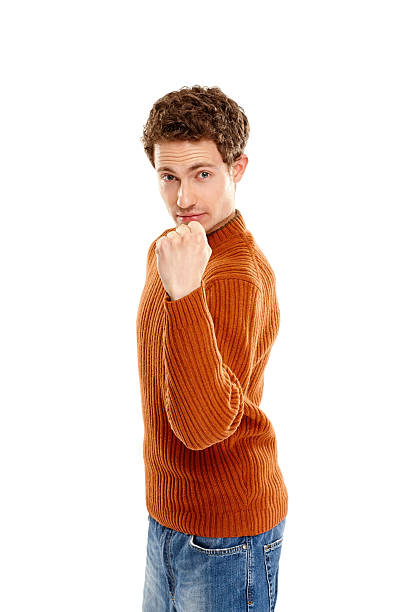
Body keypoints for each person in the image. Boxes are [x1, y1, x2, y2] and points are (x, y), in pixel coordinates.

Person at [136, 85, 289, 611]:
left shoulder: (233, 275)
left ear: (237, 167)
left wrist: (185, 295)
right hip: (168, 516)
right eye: (168, 177)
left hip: (227, 537)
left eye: (202, 174)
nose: (183, 199)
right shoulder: (178, 251)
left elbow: (202, 427)